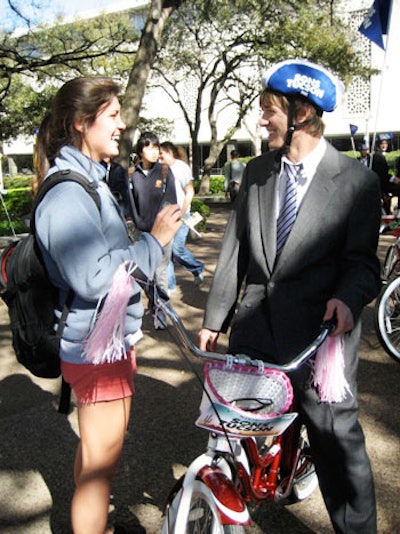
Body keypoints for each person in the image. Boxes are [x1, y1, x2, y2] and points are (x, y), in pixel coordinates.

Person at [199, 59, 381, 534]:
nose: (261, 120)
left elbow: (364, 264)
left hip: (320, 340)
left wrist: (346, 298)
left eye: (269, 111)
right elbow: (235, 248)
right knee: (232, 427)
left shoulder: (357, 182)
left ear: (300, 113)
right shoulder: (257, 171)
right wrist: (215, 318)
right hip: (257, 331)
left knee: (336, 440)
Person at [34, 77, 181, 534]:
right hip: (96, 350)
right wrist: (154, 243)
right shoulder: (67, 193)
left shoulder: (88, 183)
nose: (122, 125)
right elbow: (95, 277)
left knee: (94, 460)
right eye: (113, 115)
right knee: (100, 471)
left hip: (106, 342)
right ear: (81, 123)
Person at [128, 132, 177, 300]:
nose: (154, 152)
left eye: (156, 147)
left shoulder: (164, 172)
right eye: (149, 148)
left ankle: (161, 312)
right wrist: (138, 223)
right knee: (140, 272)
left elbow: (171, 202)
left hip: (162, 232)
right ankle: (145, 307)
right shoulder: (133, 175)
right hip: (141, 232)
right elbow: (131, 203)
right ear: (141, 151)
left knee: (161, 272)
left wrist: (165, 227)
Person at [159, 141, 205, 291]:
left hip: (182, 214)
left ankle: (197, 268)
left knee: (177, 250)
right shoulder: (159, 169)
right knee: (167, 253)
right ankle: (170, 286)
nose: (159, 157)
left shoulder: (181, 168)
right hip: (166, 215)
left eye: (161, 154)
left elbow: (190, 192)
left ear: (170, 153)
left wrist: (183, 212)